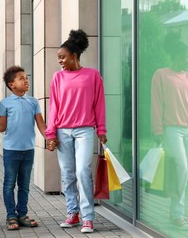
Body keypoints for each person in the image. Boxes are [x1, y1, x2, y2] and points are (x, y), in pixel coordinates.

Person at [45, 29, 107, 233]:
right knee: (68, 174)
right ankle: (72, 213)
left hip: (85, 131)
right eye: (58, 58)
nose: (60, 61)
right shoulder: (57, 78)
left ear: (74, 56)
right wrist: (51, 133)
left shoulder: (93, 75)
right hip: (63, 131)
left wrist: (101, 129)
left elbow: (99, 104)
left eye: (62, 57)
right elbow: (54, 106)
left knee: (82, 171)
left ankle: (88, 217)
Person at [151, 38, 188, 229]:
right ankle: (177, 214)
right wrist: (158, 130)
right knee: (183, 168)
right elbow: (157, 104)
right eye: (185, 57)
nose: (187, 61)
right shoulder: (161, 75)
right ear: (176, 55)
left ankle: (177, 213)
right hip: (172, 129)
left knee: (186, 171)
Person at [0, 66, 46, 230]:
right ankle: (11, 216)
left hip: (28, 150)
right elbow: (2, 126)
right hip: (11, 151)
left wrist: (50, 139)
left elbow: (41, 124)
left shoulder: (33, 102)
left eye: (26, 77)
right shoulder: (5, 103)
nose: (26, 80)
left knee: (24, 185)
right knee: (9, 184)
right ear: (11, 84)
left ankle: (22, 214)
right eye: (21, 78)